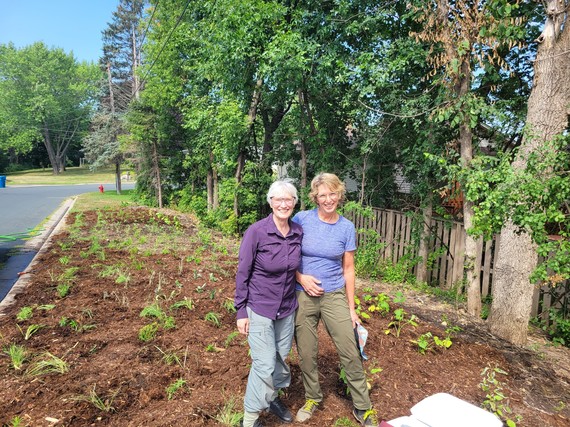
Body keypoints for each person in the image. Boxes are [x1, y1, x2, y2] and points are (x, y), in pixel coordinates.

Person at [292, 172, 379, 427]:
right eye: (322, 195)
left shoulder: (346, 227)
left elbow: (349, 268)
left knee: (349, 351)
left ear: (339, 194)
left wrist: (351, 309)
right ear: (315, 198)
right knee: (306, 352)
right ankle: (312, 397)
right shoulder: (302, 219)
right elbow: (288, 254)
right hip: (303, 295)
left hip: (334, 295)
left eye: (332, 194)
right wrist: (300, 277)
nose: (328, 199)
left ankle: (362, 407)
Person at [235, 179, 303, 427]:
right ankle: (250, 420)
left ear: (294, 203)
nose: (283, 204)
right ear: (270, 202)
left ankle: (271, 398)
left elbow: (295, 267)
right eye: (279, 199)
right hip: (260, 307)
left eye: (289, 199)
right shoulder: (257, 231)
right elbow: (243, 272)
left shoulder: (297, 232)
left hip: (286, 309)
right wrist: (241, 311)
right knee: (263, 364)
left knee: (279, 360)